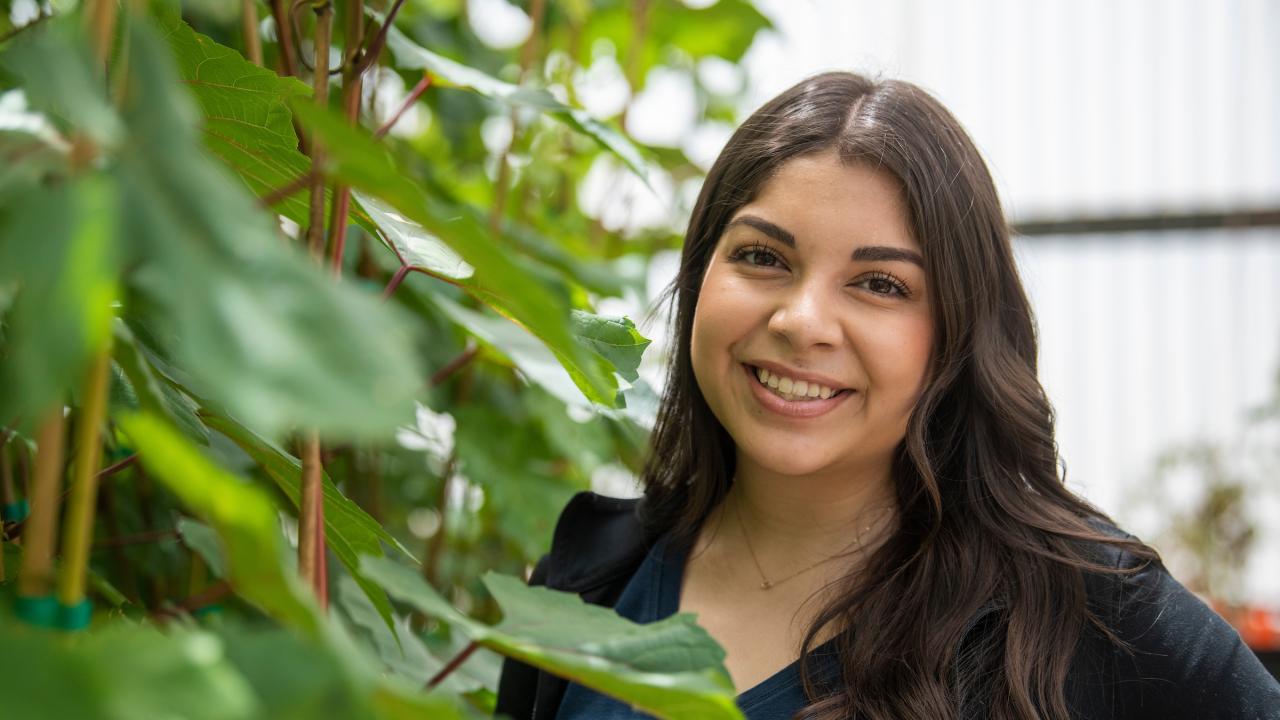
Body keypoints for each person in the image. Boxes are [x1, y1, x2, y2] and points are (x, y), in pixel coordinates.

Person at [494, 72, 1280, 719]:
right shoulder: (585, 582)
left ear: (959, 332)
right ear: (701, 277)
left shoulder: (1089, 615)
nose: (802, 322)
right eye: (764, 257)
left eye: (879, 283)